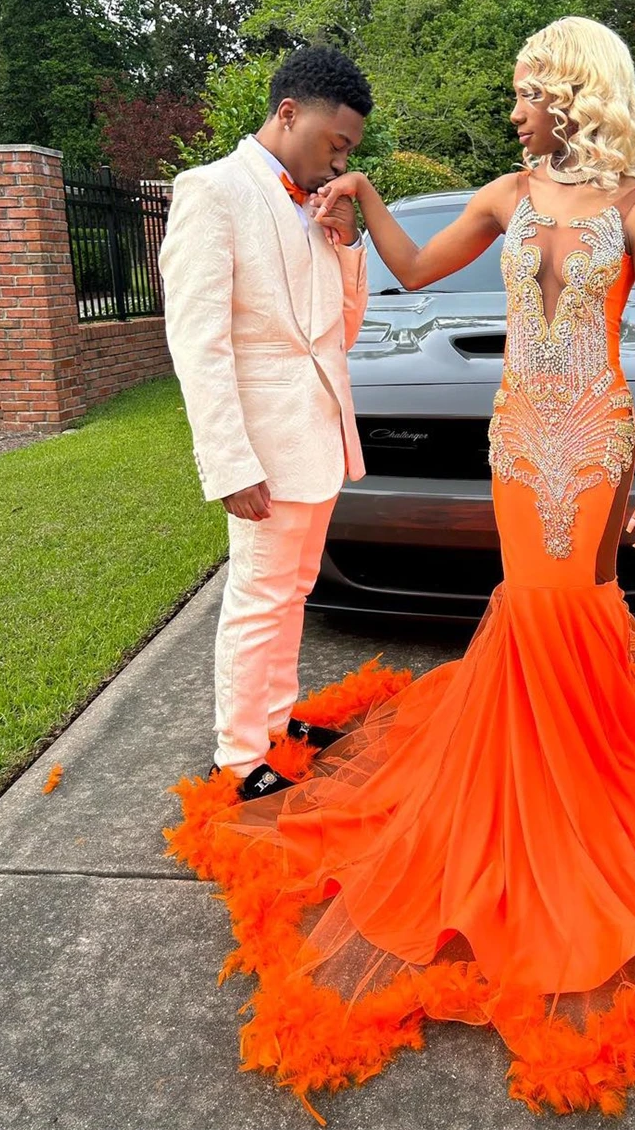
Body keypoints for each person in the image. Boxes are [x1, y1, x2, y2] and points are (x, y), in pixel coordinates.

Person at [166, 18, 635, 1117]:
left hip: (598, 434)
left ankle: (590, 786)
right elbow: (410, 274)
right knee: (533, 606)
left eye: (524, 92)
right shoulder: (505, 195)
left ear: (573, 94)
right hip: (517, 441)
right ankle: (534, 780)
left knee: (571, 605)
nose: (512, 111)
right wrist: (357, 201)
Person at [160, 47, 372, 801]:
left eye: (349, 149)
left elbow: (340, 331)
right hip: (261, 448)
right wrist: (227, 461)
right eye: (335, 143)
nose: (340, 159)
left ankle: (278, 727)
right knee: (258, 595)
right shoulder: (211, 191)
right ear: (289, 114)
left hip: (318, 436)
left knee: (294, 590)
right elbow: (198, 342)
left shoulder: (310, 204)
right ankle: (239, 753)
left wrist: (346, 240)